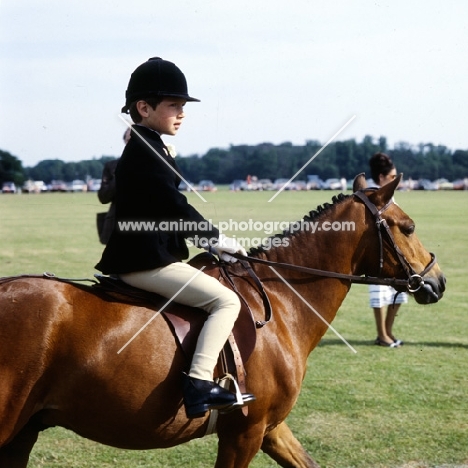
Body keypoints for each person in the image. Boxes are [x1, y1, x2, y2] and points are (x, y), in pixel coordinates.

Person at [95, 57, 255, 418]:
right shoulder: (147, 150)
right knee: (227, 302)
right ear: (143, 107)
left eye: (183, 106)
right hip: (146, 262)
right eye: (173, 106)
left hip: (148, 256)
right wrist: (216, 239)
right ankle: (199, 385)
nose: (181, 113)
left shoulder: (148, 144)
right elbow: (173, 206)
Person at [368, 152, 408, 348]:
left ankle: (388, 331)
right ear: (382, 177)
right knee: (379, 294)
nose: (395, 181)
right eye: (392, 177)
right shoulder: (372, 196)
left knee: (400, 291)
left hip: (394, 255)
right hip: (378, 254)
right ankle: (382, 335)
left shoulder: (390, 196)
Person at [96, 129, 131, 244]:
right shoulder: (111, 166)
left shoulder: (156, 164)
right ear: (125, 141)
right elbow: (103, 197)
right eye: (130, 139)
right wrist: (121, 173)